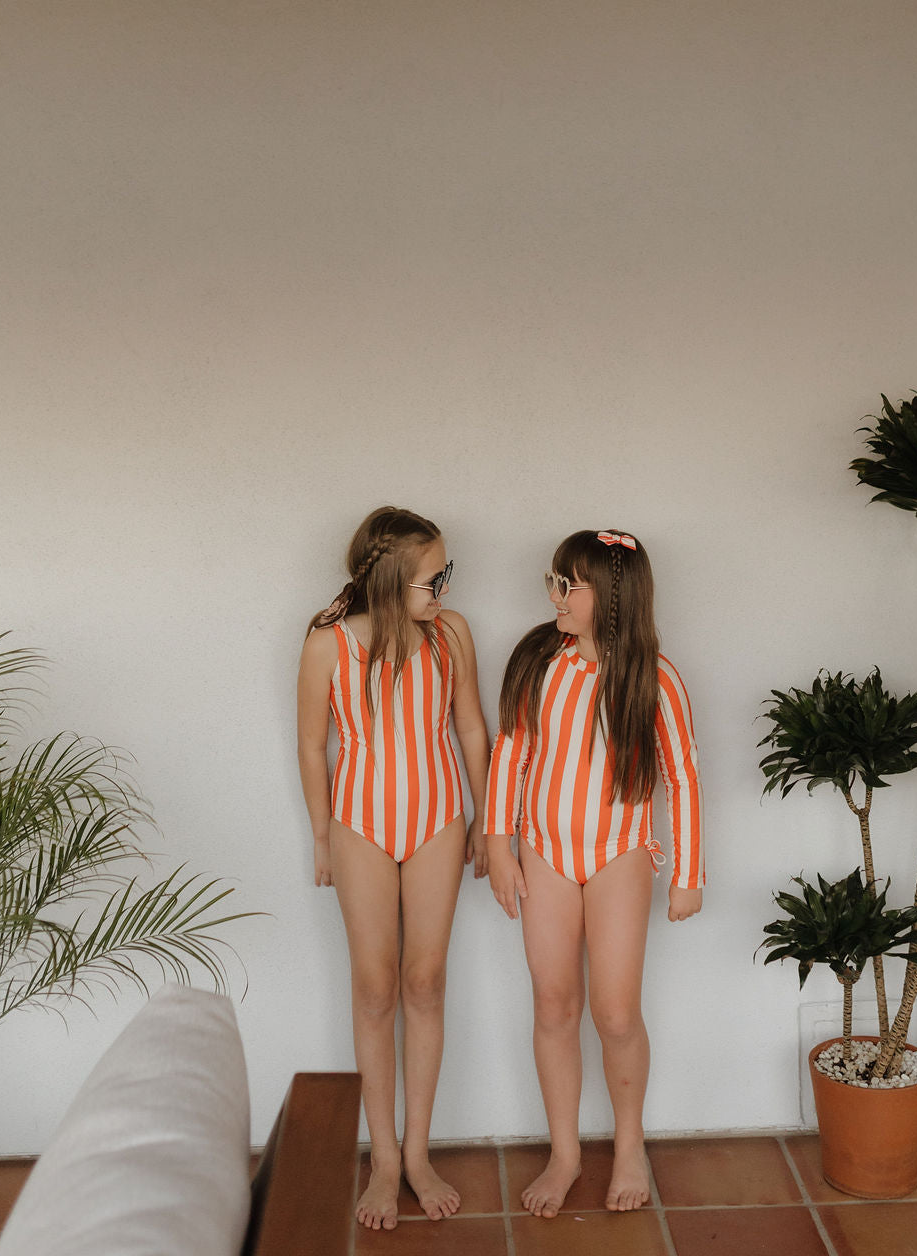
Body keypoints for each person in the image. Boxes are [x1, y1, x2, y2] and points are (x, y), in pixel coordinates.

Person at [484, 529, 704, 1217]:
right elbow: (512, 752)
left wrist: (688, 873)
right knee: (554, 1004)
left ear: (609, 598)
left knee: (613, 1011)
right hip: (545, 852)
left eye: (566, 584)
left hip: (619, 855)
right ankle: (566, 1151)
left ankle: (629, 1141)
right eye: (552, 580)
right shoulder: (539, 665)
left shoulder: (654, 678)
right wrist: (498, 843)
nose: (553, 594)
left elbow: (684, 777)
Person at [297, 506, 490, 1232]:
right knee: (375, 987)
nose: (442, 587)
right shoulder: (328, 643)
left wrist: (486, 823)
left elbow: (471, 725)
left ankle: (417, 1152)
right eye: (431, 578)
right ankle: (381, 1159)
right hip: (359, 826)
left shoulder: (452, 633)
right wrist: (321, 837)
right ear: (387, 580)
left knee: (425, 981)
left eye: (446, 574)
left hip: (440, 819)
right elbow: (313, 746)